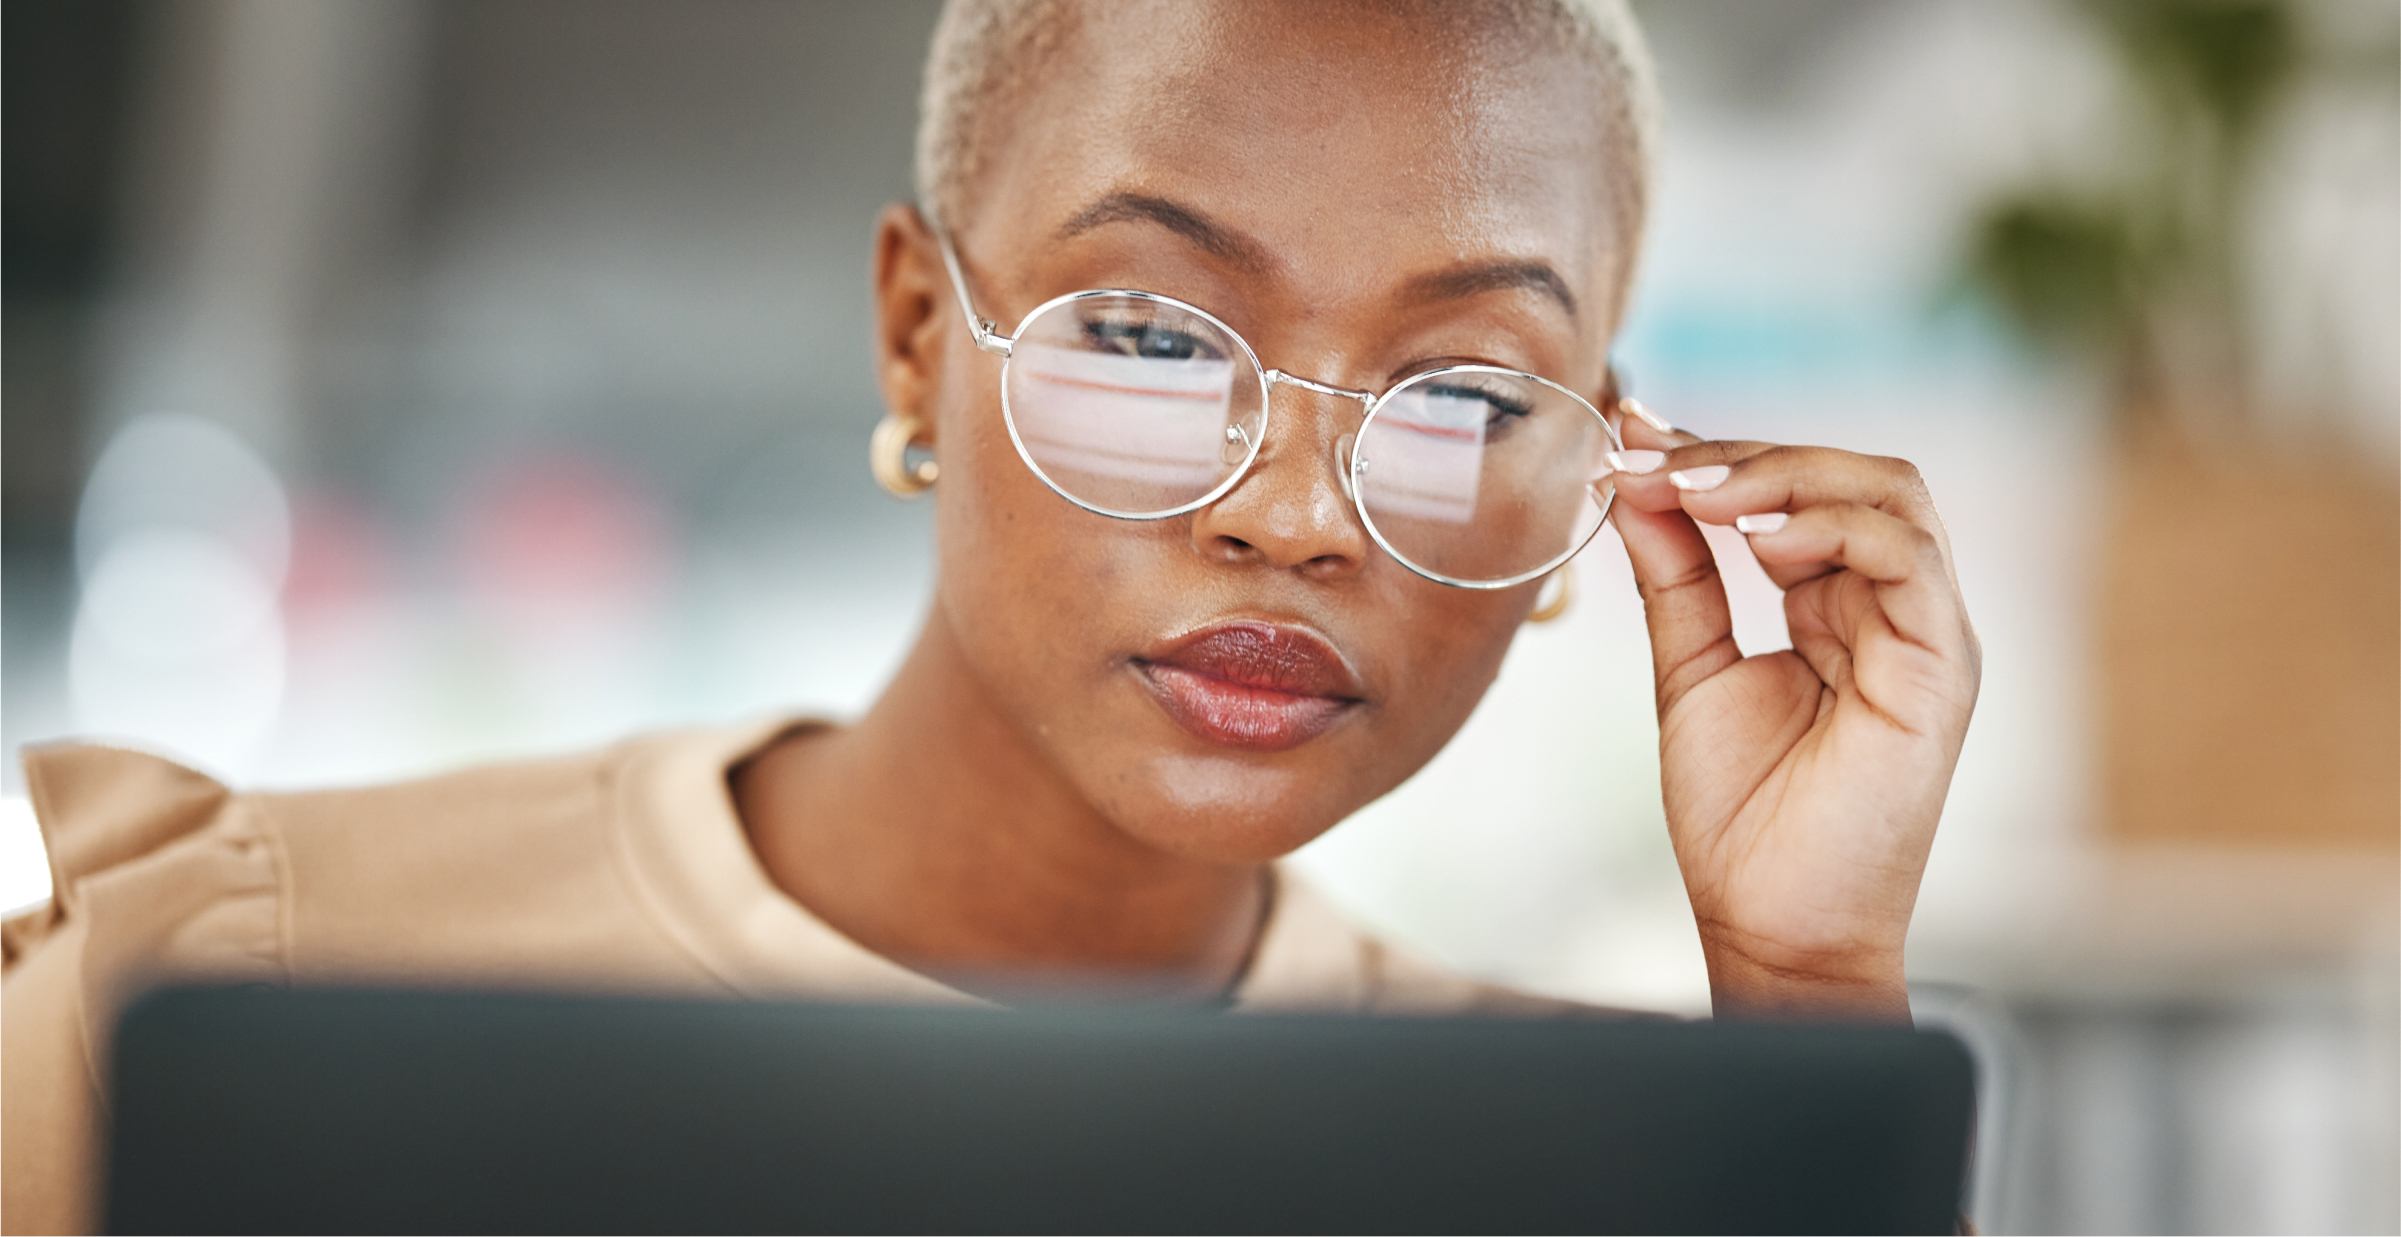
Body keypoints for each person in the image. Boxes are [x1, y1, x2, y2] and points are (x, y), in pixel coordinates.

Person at [0, 0, 1980, 1231]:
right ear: (917, 332)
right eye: (1143, 333)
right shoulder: (229, 975)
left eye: (1462, 392)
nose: (1291, 512)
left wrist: (1805, 991)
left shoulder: (1615, 1171)